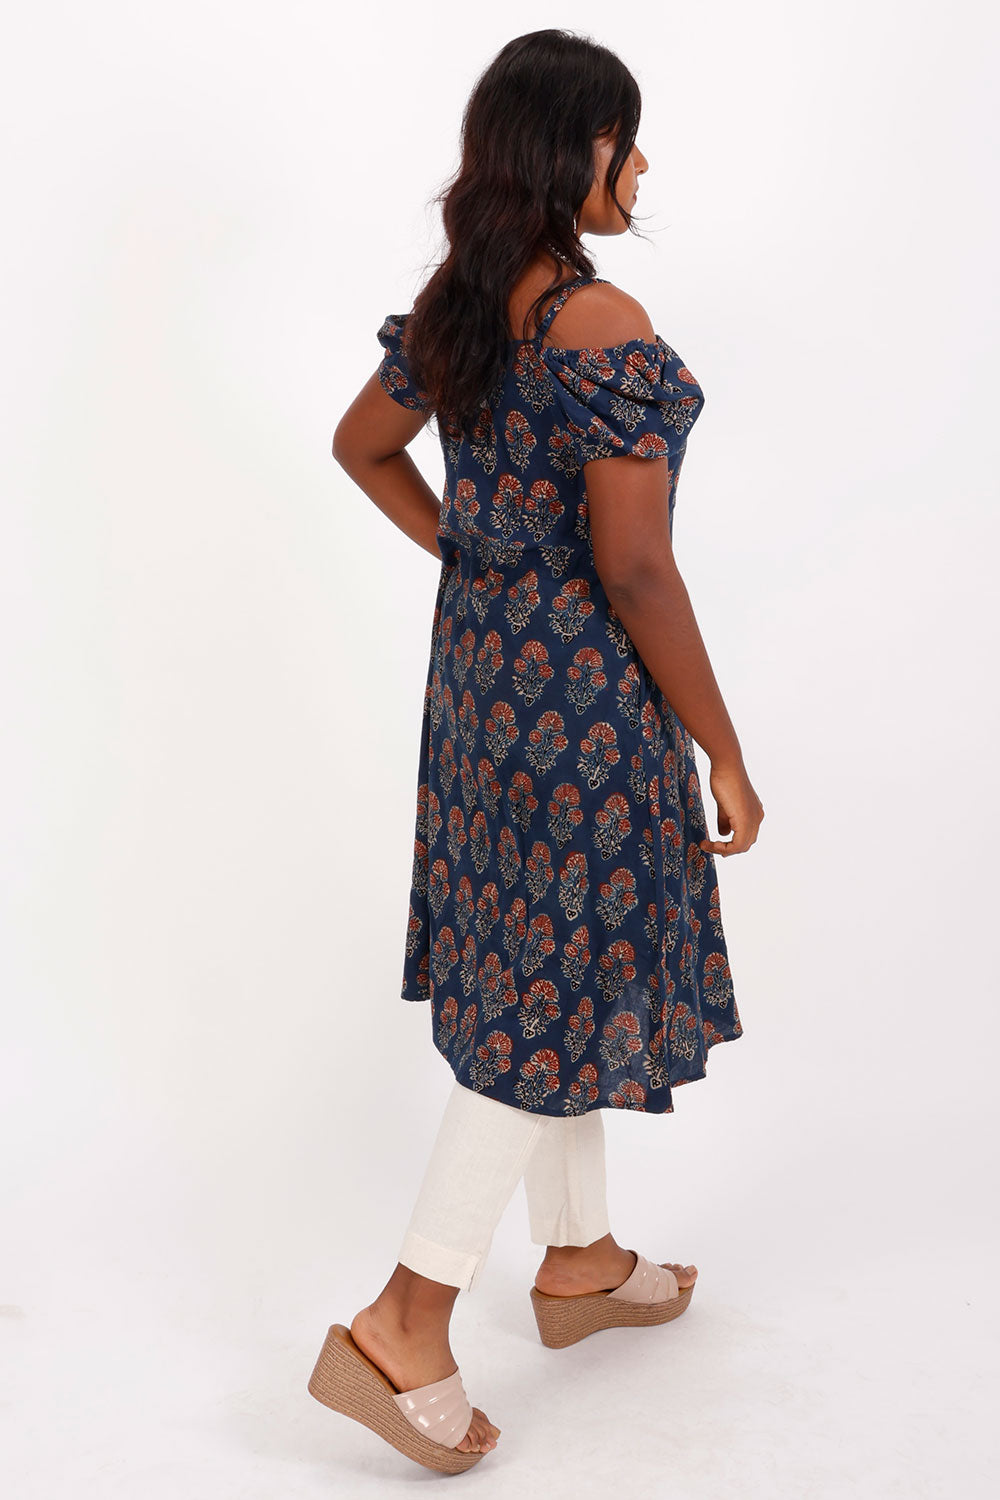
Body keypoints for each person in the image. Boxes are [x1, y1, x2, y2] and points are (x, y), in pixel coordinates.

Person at [311, 28, 765, 1474]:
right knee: (550, 992)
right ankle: (406, 1318)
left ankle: (579, 1259)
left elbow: (362, 446)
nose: (644, 166)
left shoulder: (462, 302)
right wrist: (724, 749)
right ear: (579, 152)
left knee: (535, 957)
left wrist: (479, 554)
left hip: (478, 696)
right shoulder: (599, 319)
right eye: (628, 139)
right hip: (582, 710)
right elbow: (635, 570)